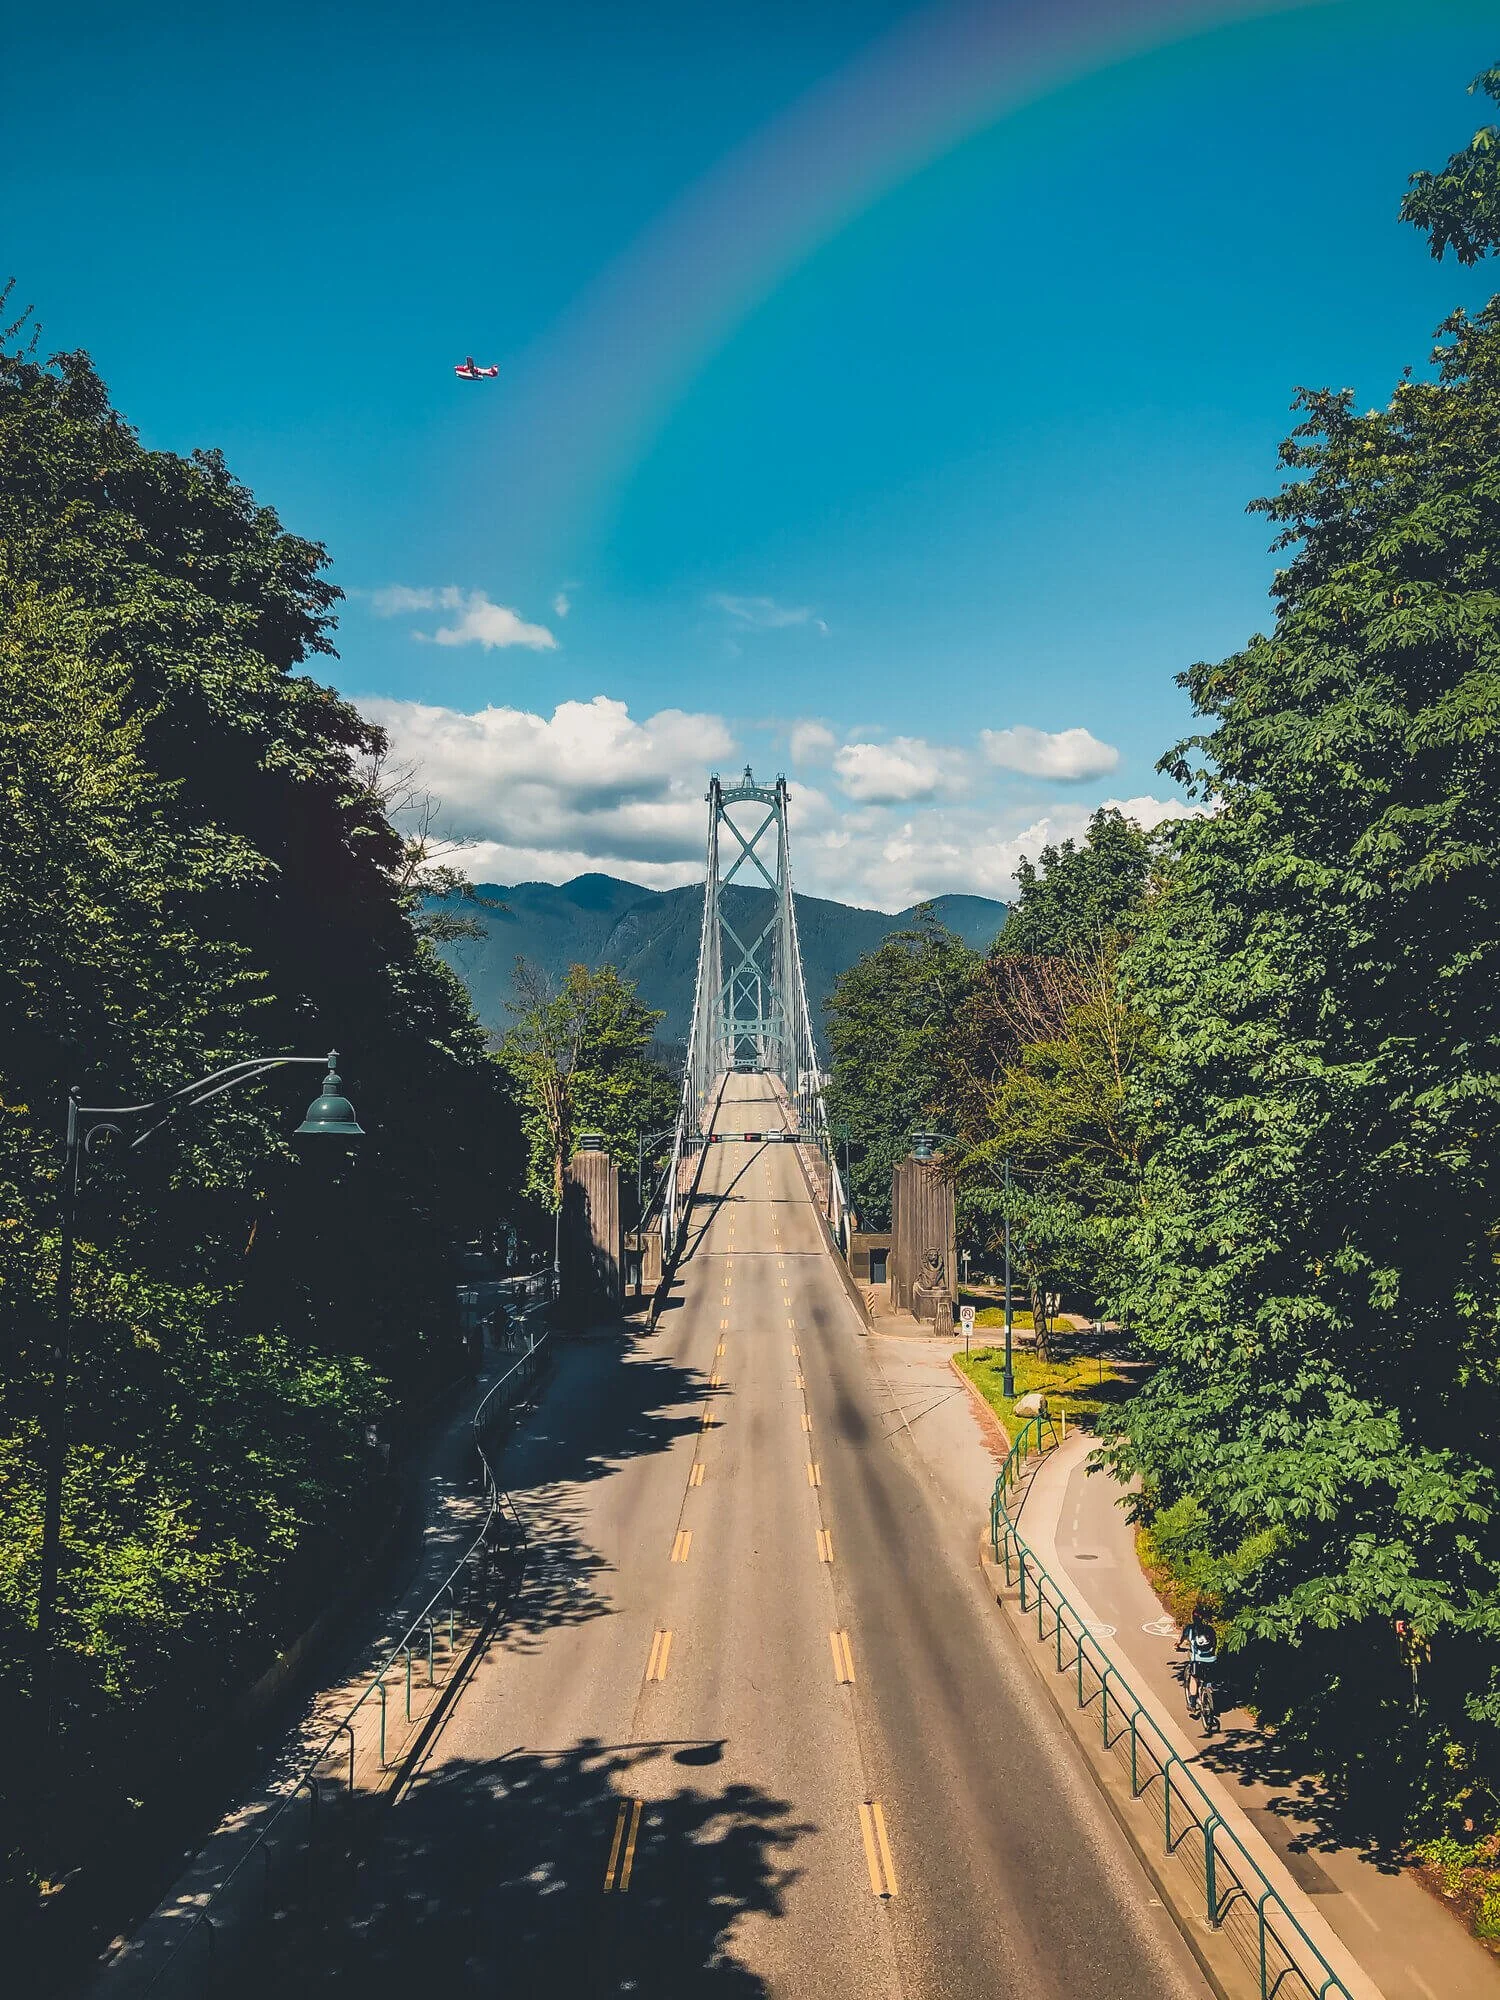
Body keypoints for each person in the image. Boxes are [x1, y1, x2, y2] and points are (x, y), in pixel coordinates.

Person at [1176, 1601, 1218, 1716]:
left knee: (1194, 1679)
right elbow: (1214, 1643)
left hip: (1197, 1660)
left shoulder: (1189, 1629)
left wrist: (1177, 1646)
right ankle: (1208, 1690)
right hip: (1212, 1660)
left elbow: (1180, 1641)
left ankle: (1193, 1702)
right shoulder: (1210, 1629)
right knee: (1208, 1679)